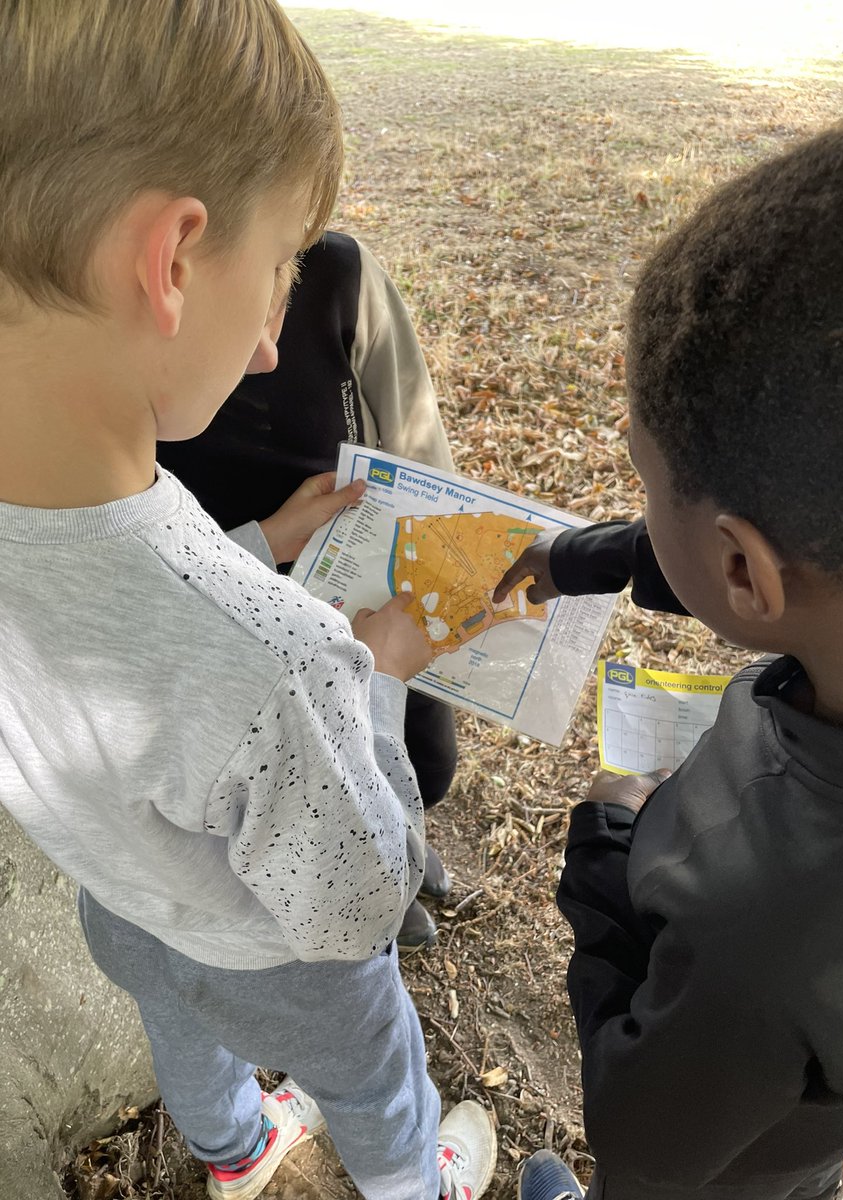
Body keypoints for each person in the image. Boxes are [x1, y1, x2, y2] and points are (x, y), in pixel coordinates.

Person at [0, 5, 496, 1200]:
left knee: (180, 1029)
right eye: (279, 270)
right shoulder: (283, 655)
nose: (277, 341)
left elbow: (105, 604)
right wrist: (373, 672)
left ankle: (232, 1150)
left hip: (121, 904)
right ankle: (408, 1183)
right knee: (378, 1079)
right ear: (169, 261)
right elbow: (359, 899)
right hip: (282, 962)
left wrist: (261, 540)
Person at [502, 118, 843, 1200]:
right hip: (803, 1124)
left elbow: (642, 1141)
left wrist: (605, 847)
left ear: (747, 571)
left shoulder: (762, 932)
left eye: (643, 479)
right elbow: (726, 562)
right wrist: (574, 558)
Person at [159, 229, 458, 951]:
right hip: (227, 603)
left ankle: (398, 842)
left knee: (424, 753)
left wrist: (445, 553)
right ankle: (377, 872)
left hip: (356, 573)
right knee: (305, 781)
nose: (269, 347)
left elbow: (417, 438)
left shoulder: (337, 271)